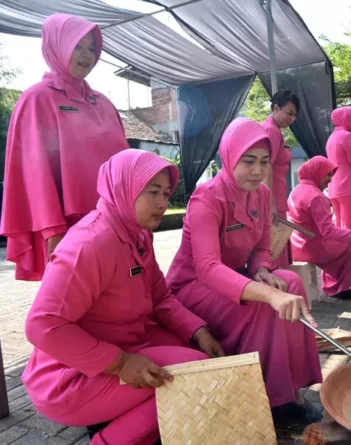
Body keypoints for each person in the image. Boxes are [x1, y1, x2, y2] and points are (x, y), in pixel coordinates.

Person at [22, 150, 222, 445]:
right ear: (122, 187)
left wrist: (199, 331)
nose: (162, 203)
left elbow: (160, 297)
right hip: (68, 377)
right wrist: (120, 363)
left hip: (120, 347)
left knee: (199, 356)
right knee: (192, 375)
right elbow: (41, 325)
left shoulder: (137, 235)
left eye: (166, 193)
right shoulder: (90, 244)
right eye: (153, 192)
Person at [166, 118, 322, 419]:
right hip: (193, 287)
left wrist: (263, 270)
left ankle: (292, 384)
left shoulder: (262, 196)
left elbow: (262, 248)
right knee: (264, 304)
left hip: (236, 279)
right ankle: (271, 399)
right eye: (248, 161)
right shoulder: (206, 198)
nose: (257, 170)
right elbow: (208, 267)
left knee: (289, 283)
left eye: (264, 162)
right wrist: (266, 293)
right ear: (229, 157)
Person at [0, 13, 129, 281]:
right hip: (68, 228)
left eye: (92, 48)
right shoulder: (36, 99)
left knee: (119, 298)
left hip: (117, 222)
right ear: (56, 46)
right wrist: (53, 232)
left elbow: (127, 166)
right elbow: (34, 175)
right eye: (77, 46)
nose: (86, 56)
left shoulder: (104, 103)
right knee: (75, 302)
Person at [288, 156, 351, 297]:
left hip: (296, 247)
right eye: (328, 175)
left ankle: (337, 283)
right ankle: (343, 288)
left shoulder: (296, 190)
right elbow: (328, 231)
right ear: (317, 172)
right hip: (314, 248)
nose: (330, 180)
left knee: (347, 238)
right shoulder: (316, 197)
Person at [261, 90, 300, 267]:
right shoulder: (271, 130)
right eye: (289, 113)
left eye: (295, 115)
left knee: (277, 244)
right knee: (276, 245)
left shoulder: (274, 130)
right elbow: (266, 166)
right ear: (276, 108)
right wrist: (271, 203)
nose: (292, 119)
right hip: (274, 195)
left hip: (276, 193)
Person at [325, 106, 351, 230]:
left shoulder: (331, 138)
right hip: (349, 187)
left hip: (333, 188)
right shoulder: (347, 136)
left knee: (340, 230)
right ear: (347, 118)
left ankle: (341, 250)